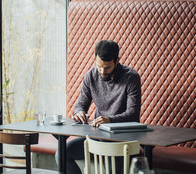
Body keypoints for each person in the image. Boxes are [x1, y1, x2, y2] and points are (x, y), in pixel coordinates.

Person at [55, 40, 142, 174]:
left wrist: (110, 120)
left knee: (112, 167)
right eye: (99, 66)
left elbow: (133, 114)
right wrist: (79, 112)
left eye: (107, 67)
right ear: (95, 58)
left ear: (117, 60)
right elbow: (80, 105)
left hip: (122, 139)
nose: (102, 71)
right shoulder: (91, 75)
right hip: (97, 136)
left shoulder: (131, 77)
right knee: (61, 154)